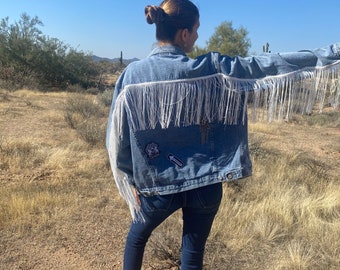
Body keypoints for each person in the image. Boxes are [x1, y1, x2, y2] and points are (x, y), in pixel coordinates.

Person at [106, 0, 340, 269]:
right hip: (206, 183)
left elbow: (117, 136)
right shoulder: (213, 68)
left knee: (137, 238)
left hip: (157, 184)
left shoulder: (132, 75)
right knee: (193, 252)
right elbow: (267, 65)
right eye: (195, 30)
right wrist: (332, 53)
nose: (196, 36)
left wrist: (129, 178)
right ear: (184, 34)